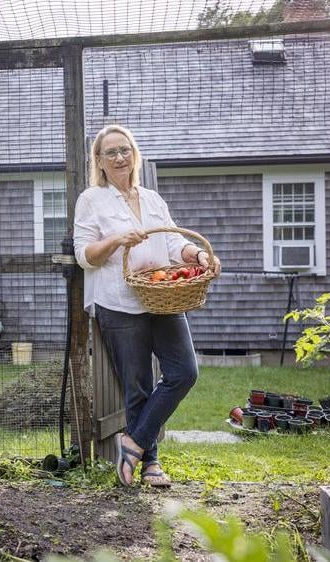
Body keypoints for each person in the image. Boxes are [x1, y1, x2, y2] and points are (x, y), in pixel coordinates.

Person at [73, 124, 220, 487]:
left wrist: (197, 254)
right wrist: (117, 239)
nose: (120, 157)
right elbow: (84, 255)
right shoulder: (92, 199)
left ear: (134, 154)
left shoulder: (153, 199)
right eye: (111, 153)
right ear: (100, 161)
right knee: (137, 385)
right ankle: (150, 463)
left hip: (162, 297)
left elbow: (173, 245)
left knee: (184, 371)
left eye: (125, 150)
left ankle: (134, 442)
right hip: (119, 301)